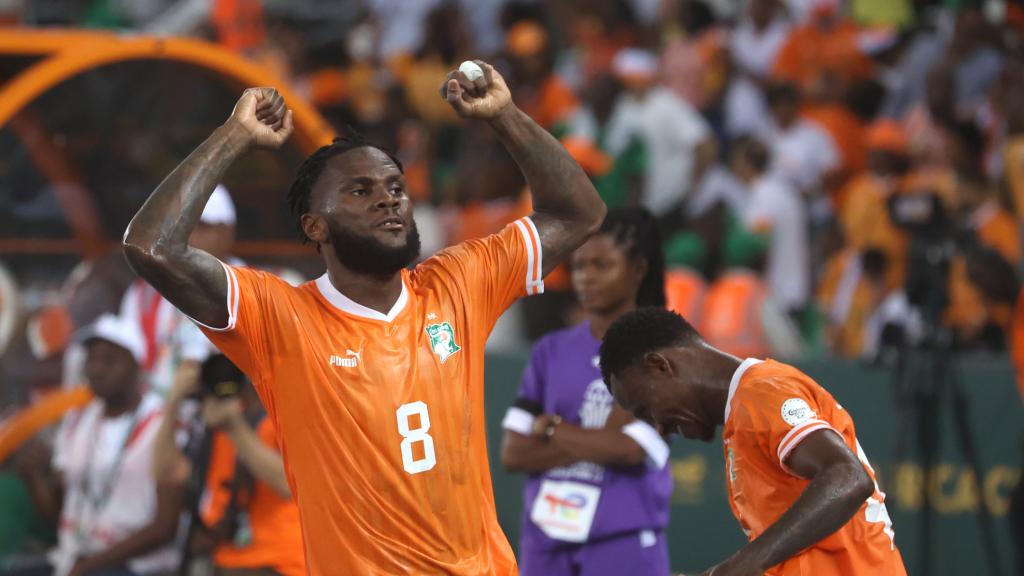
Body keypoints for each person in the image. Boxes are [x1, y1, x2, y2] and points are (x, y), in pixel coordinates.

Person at [122, 61, 606, 574]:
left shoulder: (459, 281)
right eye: (359, 191)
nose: (387, 200)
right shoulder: (282, 317)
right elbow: (152, 246)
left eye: (395, 187)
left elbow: (579, 214)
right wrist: (234, 135)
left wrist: (506, 116)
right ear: (315, 226)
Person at [599, 308, 907, 575]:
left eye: (645, 409)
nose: (659, 427)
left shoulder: (760, 392)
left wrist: (746, 563)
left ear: (659, 366)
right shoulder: (742, 413)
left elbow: (849, 476)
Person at [500, 208, 672, 576]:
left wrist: (550, 430)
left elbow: (628, 449)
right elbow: (514, 452)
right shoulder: (550, 350)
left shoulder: (657, 351)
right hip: (546, 540)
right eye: (579, 266)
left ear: (638, 270)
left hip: (621, 541)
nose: (585, 278)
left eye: (601, 265)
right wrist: (598, 441)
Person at [22, 314, 183, 576]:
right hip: (77, 558)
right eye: (91, 359)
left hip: (139, 565)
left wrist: (90, 566)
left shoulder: (162, 425)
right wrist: (30, 473)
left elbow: (165, 527)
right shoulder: (78, 423)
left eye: (109, 359)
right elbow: (59, 514)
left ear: (136, 365)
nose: (96, 368)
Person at [151, 357, 305, 576]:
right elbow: (166, 472)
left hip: (280, 561)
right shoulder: (209, 422)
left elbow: (290, 484)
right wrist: (173, 402)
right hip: (223, 557)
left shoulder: (280, 412)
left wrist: (234, 426)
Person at [118, 184, 239, 396]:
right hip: (160, 418)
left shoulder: (257, 289)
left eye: (201, 226)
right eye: (180, 227)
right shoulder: (142, 296)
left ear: (227, 232)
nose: (187, 236)